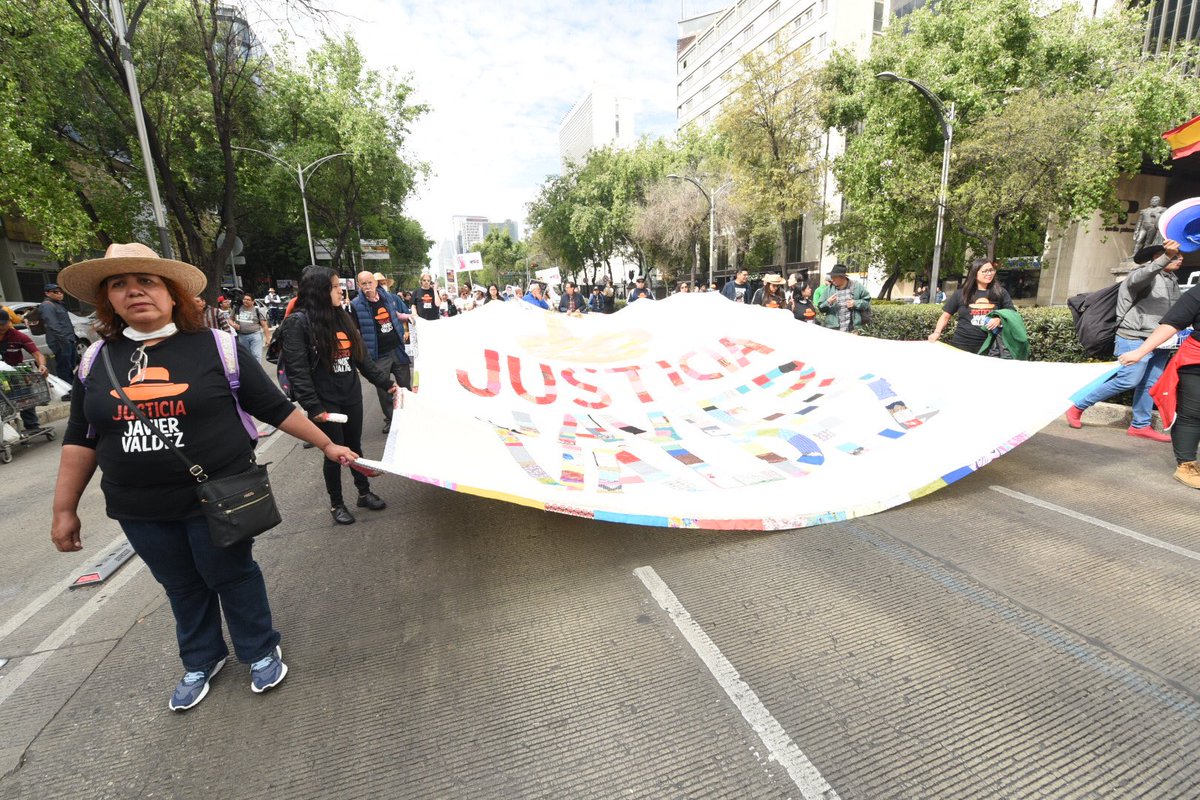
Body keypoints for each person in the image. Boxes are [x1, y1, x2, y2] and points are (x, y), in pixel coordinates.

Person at [50, 242, 358, 711]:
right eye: (119, 284)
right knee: (180, 585)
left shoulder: (217, 348)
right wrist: (64, 509)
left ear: (172, 292)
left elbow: (274, 407)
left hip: (218, 496)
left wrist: (327, 444)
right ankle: (201, 658)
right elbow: (80, 436)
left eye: (147, 281)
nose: (134, 291)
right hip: (139, 508)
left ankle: (258, 649)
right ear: (107, 299)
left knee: (230, 575)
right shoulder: (96, 360)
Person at [279, 266, 398, 525]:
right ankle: (337, 504)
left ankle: (364, 493)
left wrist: (388, 384)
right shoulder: (298, 322)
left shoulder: (342, 316)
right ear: (320, 291)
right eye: (335, 287)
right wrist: (314, 407)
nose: (340, 292)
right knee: (334, 453)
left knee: (354, 446)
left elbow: (362, 359)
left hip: (350, 394)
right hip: (326, 402)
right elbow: (298, 371)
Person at [1067, 241, 1183, 441]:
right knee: (1128, 380)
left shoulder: (1171, 279)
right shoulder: (1140, 275)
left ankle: (1140, 425)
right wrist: (1166, 256)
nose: (1180, 258)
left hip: (1161, 340)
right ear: (1156, 257)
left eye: (1179, 255)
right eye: (1174, 255)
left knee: (1150, 383)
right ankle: (1078, 406)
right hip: (1134, 336)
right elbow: (1143, 276)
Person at [1118, 280, 1200, 487]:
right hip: (1196, 362)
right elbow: (1172, 324)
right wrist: (1140, 352)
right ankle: (1186, 466)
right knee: (1192, 414)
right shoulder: (1198, 293)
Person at [351, 270, 413, 434]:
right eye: (363, 283)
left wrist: (409, 318)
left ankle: (409, 416)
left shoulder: (389, 298)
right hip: (378, 354)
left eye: (370, 282)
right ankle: (391, 419)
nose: (367, 286)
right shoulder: (356, 305)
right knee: (384, 389)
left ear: (376, 283)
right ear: (359, 285)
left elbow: (397, 315)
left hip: (397, 349)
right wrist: (360, 356)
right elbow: (355, 331)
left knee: (405, 385)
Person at [926, 259, 1014, 351]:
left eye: (991, 270)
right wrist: (937, 332)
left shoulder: (1000, 292)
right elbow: (945, 316)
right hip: (962, 345)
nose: (989, 273)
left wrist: (999, 319)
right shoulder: (961, 293)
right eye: (985, 271)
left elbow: (1011, 313)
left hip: (990, 347)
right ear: (975, 273)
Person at [0, 310, 49, 432]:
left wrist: (42, 365)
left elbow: (37, 354)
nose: (1, 327)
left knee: (25, 398)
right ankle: (5, 431)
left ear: (9, 322)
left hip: (16, 374)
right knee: (3, 404)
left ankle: (32, 425)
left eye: (3, 324)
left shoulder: (18, 336)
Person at [40, 283, 77, 385]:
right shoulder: (47, 306)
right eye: (55, 292)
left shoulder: (59, 304)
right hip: (59, 341)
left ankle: (72, 386)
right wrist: (64, 340)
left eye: (61, 292)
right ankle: (67, 388)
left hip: (68, 339)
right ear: (47, 293)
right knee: (64, 366)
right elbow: (53, 324)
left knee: (71, 365)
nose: (59, 294)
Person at [818, 265, 872, 332]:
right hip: (833, 330)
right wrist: (828, 302)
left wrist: (855, 303)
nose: (832, 279)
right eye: (831, 277)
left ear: (842, 277)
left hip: (852, 330)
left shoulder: (856, 286)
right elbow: (820, 308)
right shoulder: (828, 289)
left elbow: (867, 302)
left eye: (834, 277)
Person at [231, 293, 270, 361]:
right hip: (242, 336)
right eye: (244, 299)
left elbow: (264, 325)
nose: (245, 301)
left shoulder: (258, 310)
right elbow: (230, 319)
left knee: (256, 355)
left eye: (248, 300)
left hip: (255, 335)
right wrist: (233, 324)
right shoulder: (237, 309)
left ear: (253, 301)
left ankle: (257, 368)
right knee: (246, 356)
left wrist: (268, 338)